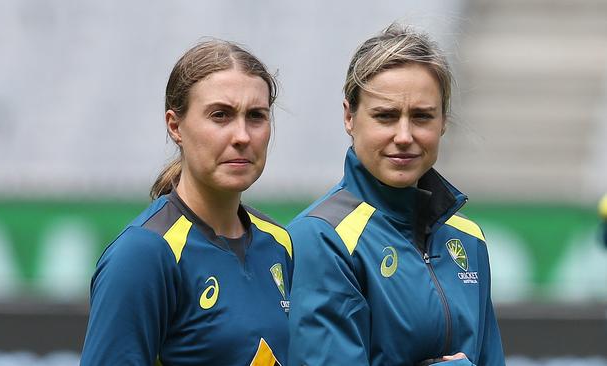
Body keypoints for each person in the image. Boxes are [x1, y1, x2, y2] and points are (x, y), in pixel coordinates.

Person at [287, 23, 505, 365]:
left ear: (443, 120)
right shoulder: (320, 238)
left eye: (421, 117)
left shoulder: (468, 239)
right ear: (349, 116)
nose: (404, 135)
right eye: (386, 116)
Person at [80, 40, 293, 365]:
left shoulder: (279, 243)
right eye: (220, 115)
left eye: (256, 116)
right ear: (175, 125)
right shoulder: (143, 255)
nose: (242, 136)